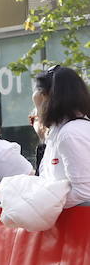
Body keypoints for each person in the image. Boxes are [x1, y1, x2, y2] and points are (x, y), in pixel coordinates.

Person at [32, 64, 90, 207]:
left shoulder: (70, 133)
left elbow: (84, 193)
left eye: (37, 106)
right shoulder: (59, 132)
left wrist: (39, 204)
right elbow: (46, 181)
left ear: (49, 99)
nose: (35, 113)